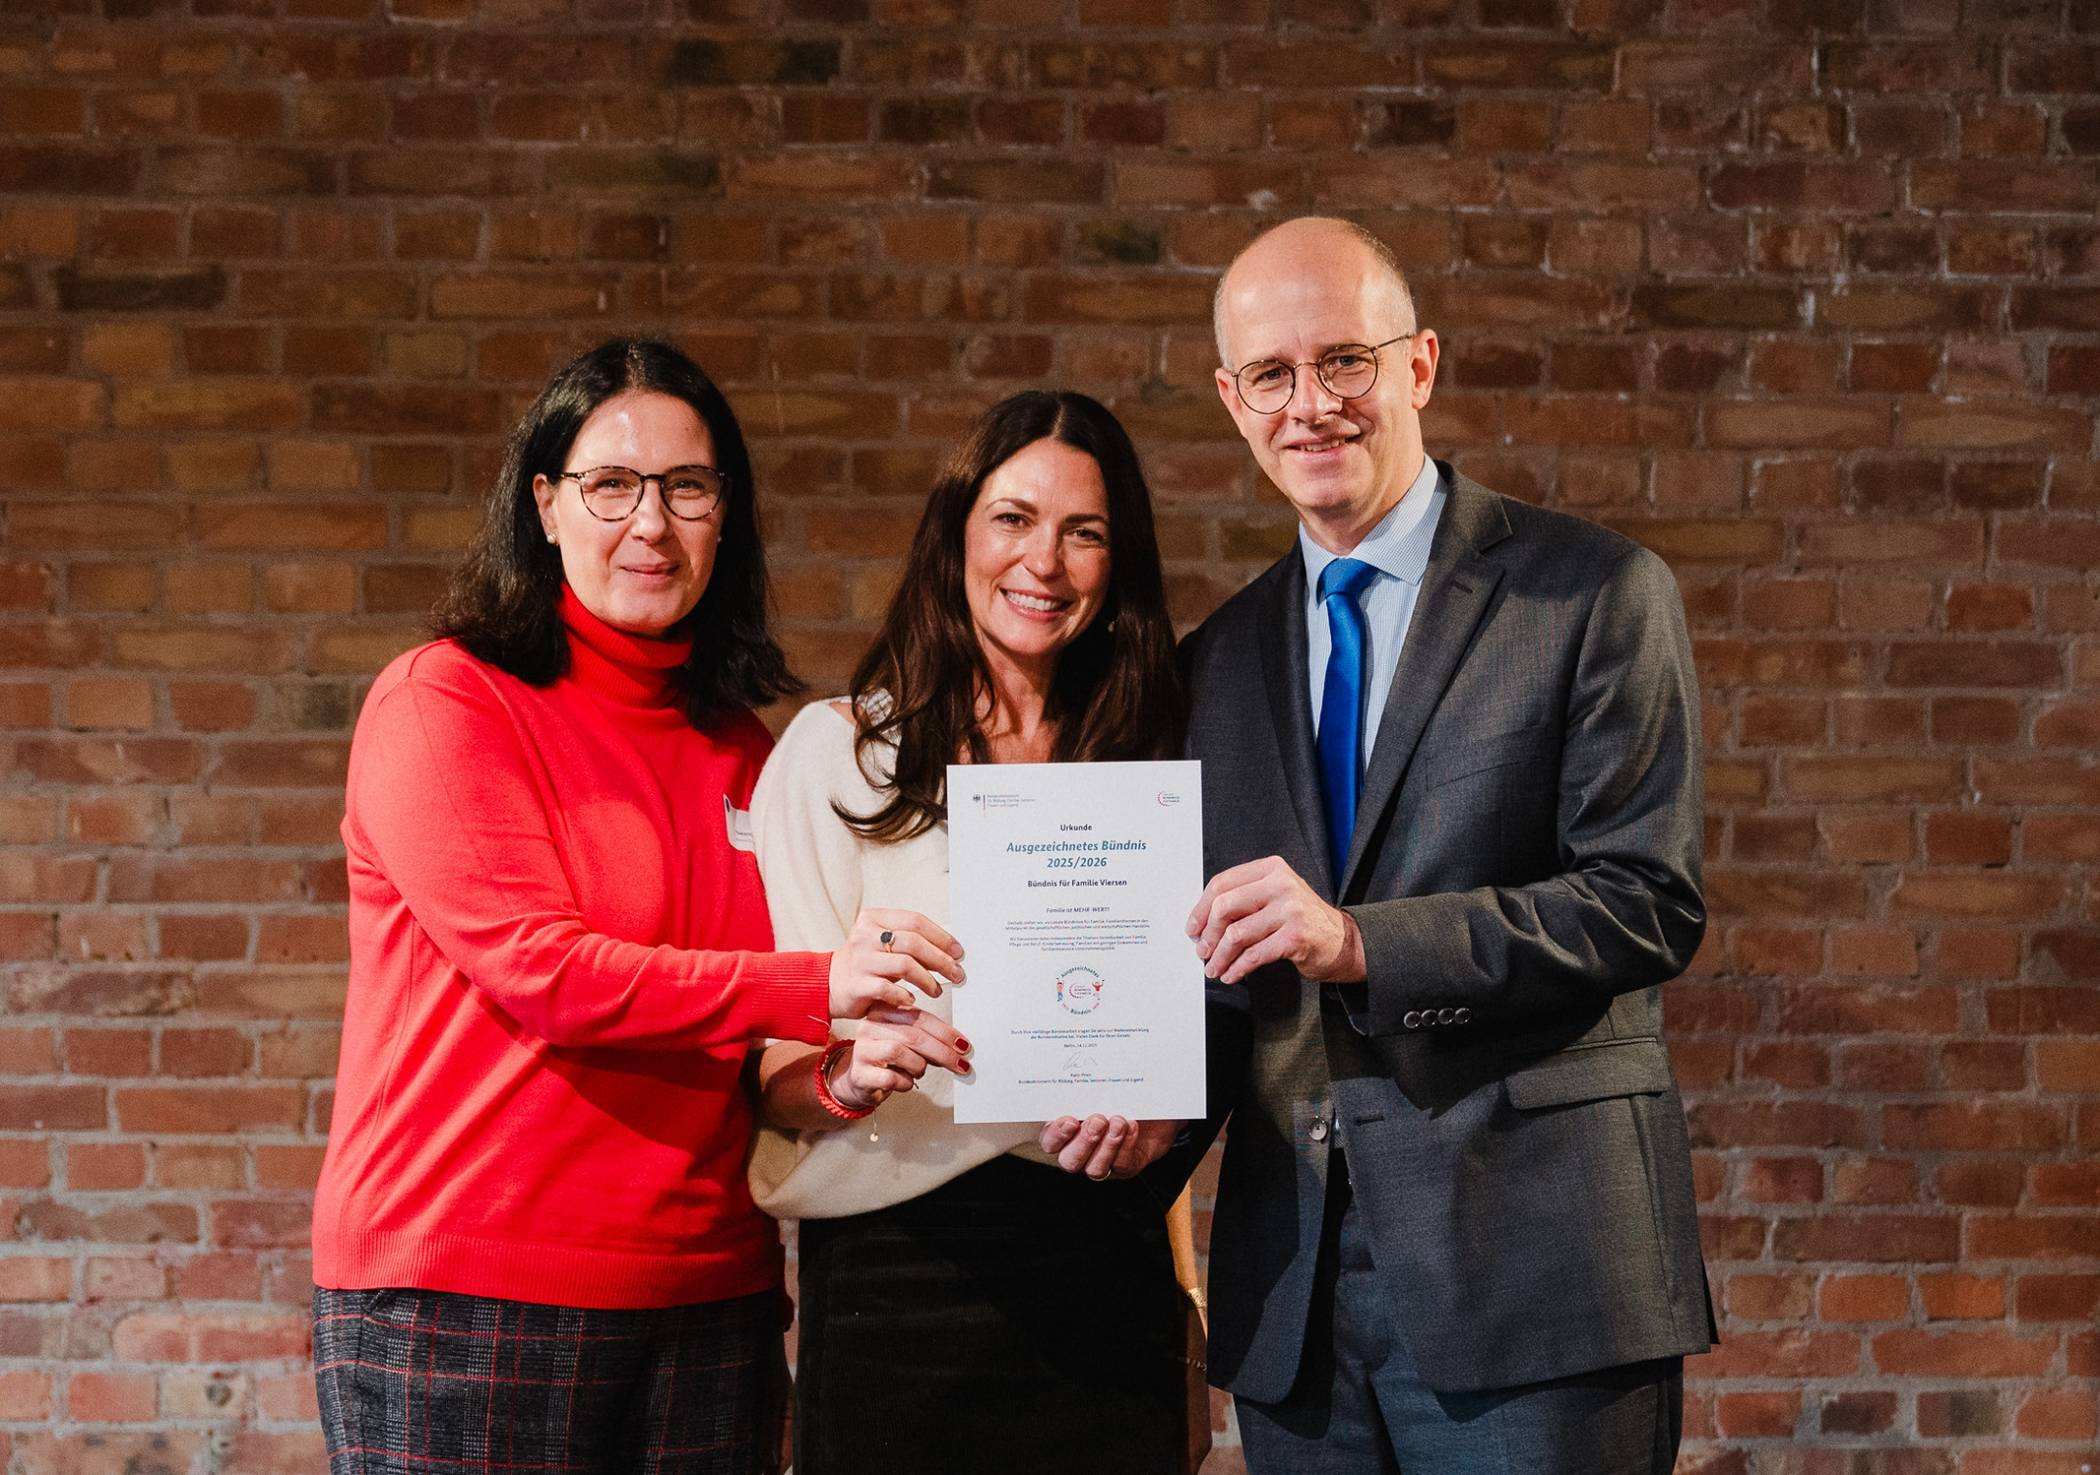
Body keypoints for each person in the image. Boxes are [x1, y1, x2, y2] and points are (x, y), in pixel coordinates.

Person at [309, 339, 961, 1475]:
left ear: (727, 516)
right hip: (466, 1292)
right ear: (547, 504)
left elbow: (752, 1049)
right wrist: (819, 986)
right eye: (613, 485)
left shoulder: (742, 751)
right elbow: (545, 971)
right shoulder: (446, 701)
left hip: (714, 1295)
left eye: (688, 488)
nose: (650, 523)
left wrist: (842, 1074)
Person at [1169, 217, 1715, 1471]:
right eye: (1272, 374)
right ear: (1232, 400)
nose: (1312, 404)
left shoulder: (1593, 593)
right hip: (1296, 1289)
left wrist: (1363, 941)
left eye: (1344, 360)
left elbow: (1646, 899)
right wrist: (1139, 1100)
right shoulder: (1218, 659)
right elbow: (1226, 969)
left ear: (1419, 365)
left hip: (1539, 1271)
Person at [748, 390, 1192, 1475]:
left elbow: (1185, 1045)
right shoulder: (837, 757)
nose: (1044, 559)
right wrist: (854, 1073)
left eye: (1083, 531)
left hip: (1106, 1263)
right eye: (1012, 518)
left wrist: (1163, 1131)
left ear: (1117, 561)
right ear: (956, 535)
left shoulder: (1154, 772)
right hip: (899, 1274)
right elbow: (773, 1079)